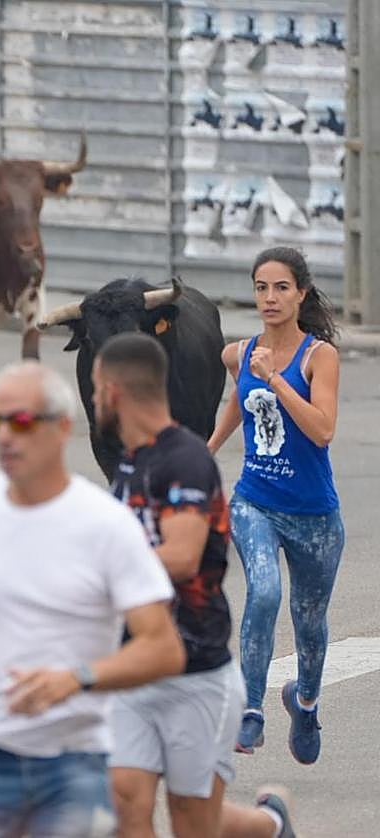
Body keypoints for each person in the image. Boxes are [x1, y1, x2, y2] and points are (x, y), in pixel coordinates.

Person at [0, 361, 185, 838]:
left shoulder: (106, 524)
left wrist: (76, 679)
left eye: (20, 421)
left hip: (72, 760)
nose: (5, 437)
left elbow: (163, 647)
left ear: (61, 428)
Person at [93, 333, 296, 838]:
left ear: (114, 391)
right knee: (125, 807)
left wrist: (96, 575)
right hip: (135, 668)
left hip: (196, 673)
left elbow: (182, 558)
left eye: (96, 389)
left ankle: (270, 826)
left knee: (194, 824)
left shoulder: (184, 459)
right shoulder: (128, 463)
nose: (93, 401)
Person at [208, 246, 344, 766]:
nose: (269, 298)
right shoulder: (239, 354)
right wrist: (209, 449)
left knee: (310, 621)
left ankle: (305, 702)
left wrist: (275, 378)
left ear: (301, 294)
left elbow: (323, 430)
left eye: (281, 288)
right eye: (261, 287)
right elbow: (238, 402)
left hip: (315, 516)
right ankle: (251, 710)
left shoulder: (318, 356)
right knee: (263, 592)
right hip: (255, 502)